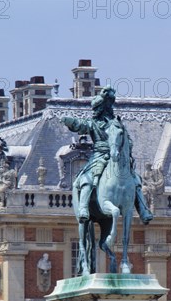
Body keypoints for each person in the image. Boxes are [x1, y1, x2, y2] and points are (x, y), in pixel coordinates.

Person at [61, 86, 153, 225]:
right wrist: (71, 122)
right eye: (105, 105)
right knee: (88, 178)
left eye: (109, 104)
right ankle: (84, 208)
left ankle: (143, 209)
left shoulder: (117, 124)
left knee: (135, 180)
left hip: (116, 156)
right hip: (99, 155)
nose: (107, 108)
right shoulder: (93, 123)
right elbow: (81, 126)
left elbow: (127, 141)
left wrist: (124, 150)